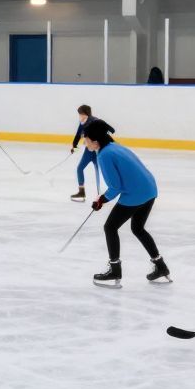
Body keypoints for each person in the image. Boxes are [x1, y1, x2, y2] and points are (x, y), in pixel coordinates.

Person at [83, 120, 170, 287]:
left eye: (86, 139)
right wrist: (104, 198)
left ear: (95, 141)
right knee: (138, 228)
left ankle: (115, 271)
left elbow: (116, 186)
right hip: (149, 189)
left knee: (110, 227)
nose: (84, 142)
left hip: (136, 193)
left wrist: (102, 200)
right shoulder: (115, 147)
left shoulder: (104, 155)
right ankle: (161, 267)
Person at [68, 105, 101, 202]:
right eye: (79, 114)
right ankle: (82, 192)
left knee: (97, 171)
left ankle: (99, 195)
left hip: (97, 151)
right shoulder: (83, 122)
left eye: (80, 114)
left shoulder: (94, 121)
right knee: (81, 168)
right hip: (89, 151)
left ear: (85, 114)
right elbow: (78, 134)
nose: (80, 116)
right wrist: (74, 145)